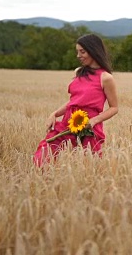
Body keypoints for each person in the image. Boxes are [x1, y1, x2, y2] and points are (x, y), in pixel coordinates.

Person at [33, 34, 118, 167]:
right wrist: (54, 114)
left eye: (82, 51)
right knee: (43, 155)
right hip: (68, 121)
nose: (78, 55)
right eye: (77, 51)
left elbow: (114, 108)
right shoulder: (79, 71)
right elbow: (73, 101)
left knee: (89, 165)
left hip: (89, 127)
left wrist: (94, 121)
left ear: (93, 50)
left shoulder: (106, 78)